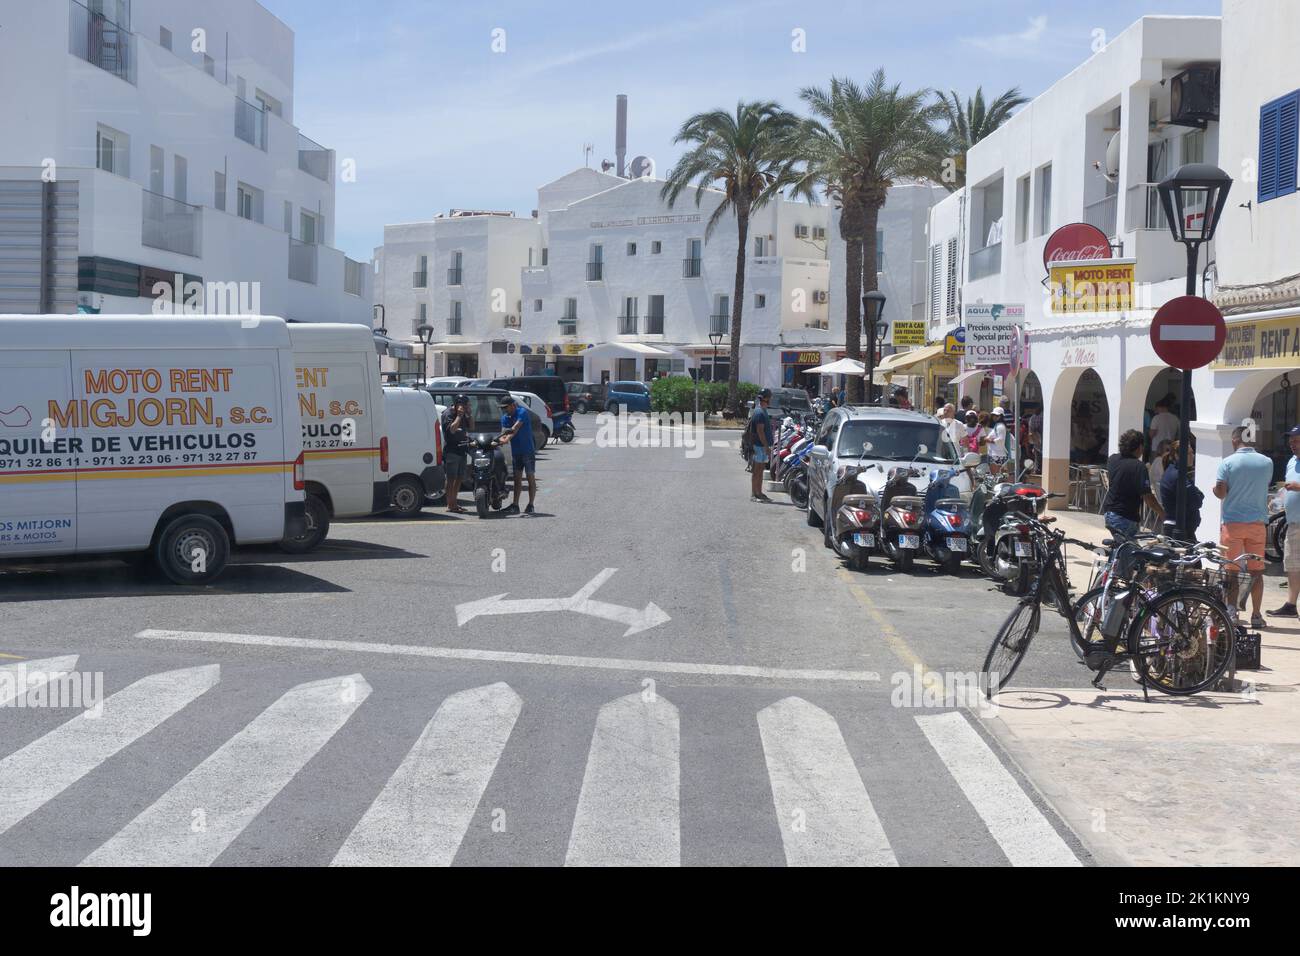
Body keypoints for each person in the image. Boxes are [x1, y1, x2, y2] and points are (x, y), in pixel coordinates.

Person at [1214, 425, 1274, 627]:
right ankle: (1256, 615)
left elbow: (1221, 493)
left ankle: (1232, 613)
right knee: (1256, 572)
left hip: (1233, 524)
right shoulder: (1267, 462)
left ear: (1234, 440)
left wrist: (1216, 489)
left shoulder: (1227, 463)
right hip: (1257, 524)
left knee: (1232, 572)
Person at [1103, 429, 1165, 541]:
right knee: (1129, 553)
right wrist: (1162, 513)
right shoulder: (1139, 467)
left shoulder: (1113, 459)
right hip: (1124, 516)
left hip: (1109, 513)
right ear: (1140, 447)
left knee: (1123, 549)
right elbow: (1148, 497)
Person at [1270, 426, 1300, 618]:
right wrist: (1279, 500)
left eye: (1296, 440)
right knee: (1292, 564)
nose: (1292, 444)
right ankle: (1291, 604)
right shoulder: (1291, 462)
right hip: (1293, 522)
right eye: (1291, 441)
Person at [496, 395, 537, 515]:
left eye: (506, 407)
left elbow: (515, 428)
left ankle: (531, 504)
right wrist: (501, 439)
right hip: (516, 452)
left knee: (530, 478)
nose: (504, 410)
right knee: (517, 479)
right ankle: (515, 505)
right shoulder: (505, 418)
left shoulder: (522, 412)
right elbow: (504, 433)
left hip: (527, 451)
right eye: (503, 408)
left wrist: (506, 439)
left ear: (513, 405)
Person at [1159, 441, 1202, 539]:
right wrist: (1198, 495)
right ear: (1177, 456)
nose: (1192, 456)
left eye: (1192, 452)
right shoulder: (1178, 476)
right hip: (1178, 529)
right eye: (1189, 453)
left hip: (1183, 528)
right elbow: (1197, 501)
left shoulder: (1177, 473)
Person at [441, 394, 473, 514]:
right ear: (458, 404)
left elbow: (472, 426)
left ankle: (454, 503)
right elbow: (452, 430)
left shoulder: (464, 414)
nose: (467, 407)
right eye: (466, 405)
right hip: (452, 451)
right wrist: (459, 415)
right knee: (451, 478)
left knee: (459, 478)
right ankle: (450, 504)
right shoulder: (448, 414)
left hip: (462, 450)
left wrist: (469, 415)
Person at [749, 388, 774, 502]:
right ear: (766, 398)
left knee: (761, 470)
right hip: (759, 446)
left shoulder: (762, 410)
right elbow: (760, 431)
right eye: (769, 397)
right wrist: (765, 446)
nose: (771, 399)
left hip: (762, 446)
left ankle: (759, 492)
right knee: (757, 470)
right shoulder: (759, 412)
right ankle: (754, 494)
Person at [986, 407, 1009, 476]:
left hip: (997, 455)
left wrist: (989, 440)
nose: (994, 417)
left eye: (997, 416)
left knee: (996, 476)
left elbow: (1000, 440)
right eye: (994, 415)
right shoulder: (997, 426)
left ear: (1001, 416)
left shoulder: (1000, 427)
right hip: (996, 454)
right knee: (999, 476)